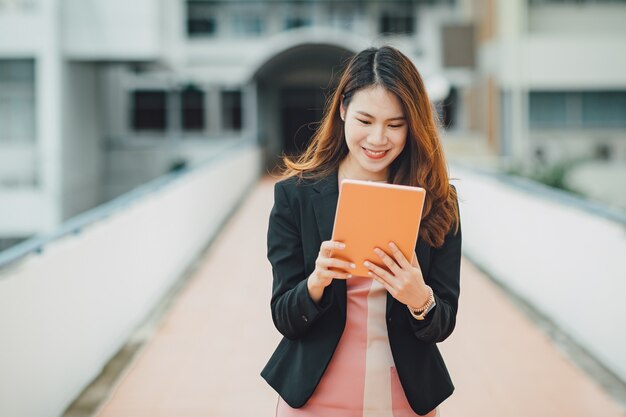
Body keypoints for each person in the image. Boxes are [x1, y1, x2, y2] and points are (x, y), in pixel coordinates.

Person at [261, 45, 462, 417]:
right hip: (315, 395)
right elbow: (284, 315)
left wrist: (420, 299)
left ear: (414, 125)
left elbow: (443, 322)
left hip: (403, 396)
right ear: (342, 111)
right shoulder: (296, 196)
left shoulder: (437, 201)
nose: (377, 139)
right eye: (365, 121)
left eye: (395, 125)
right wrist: (316, 283)